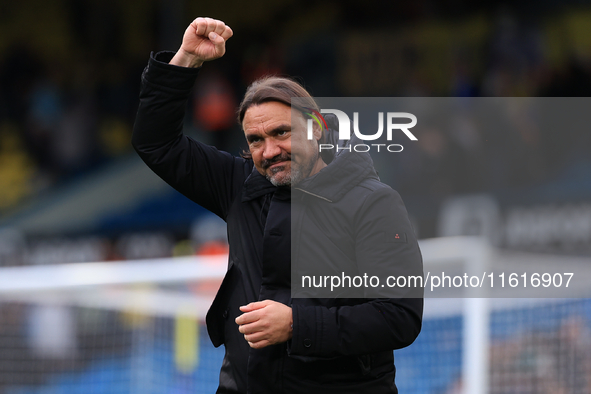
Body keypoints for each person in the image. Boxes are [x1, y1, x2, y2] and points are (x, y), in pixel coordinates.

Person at [132, 17, 423, 394]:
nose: (268, 151)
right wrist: (186, 58)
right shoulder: (239, 186)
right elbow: (155, 143)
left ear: (316, 126)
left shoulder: (374, 203)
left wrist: (296, 325)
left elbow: (399, 317)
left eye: (281, 133)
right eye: (255, 140)